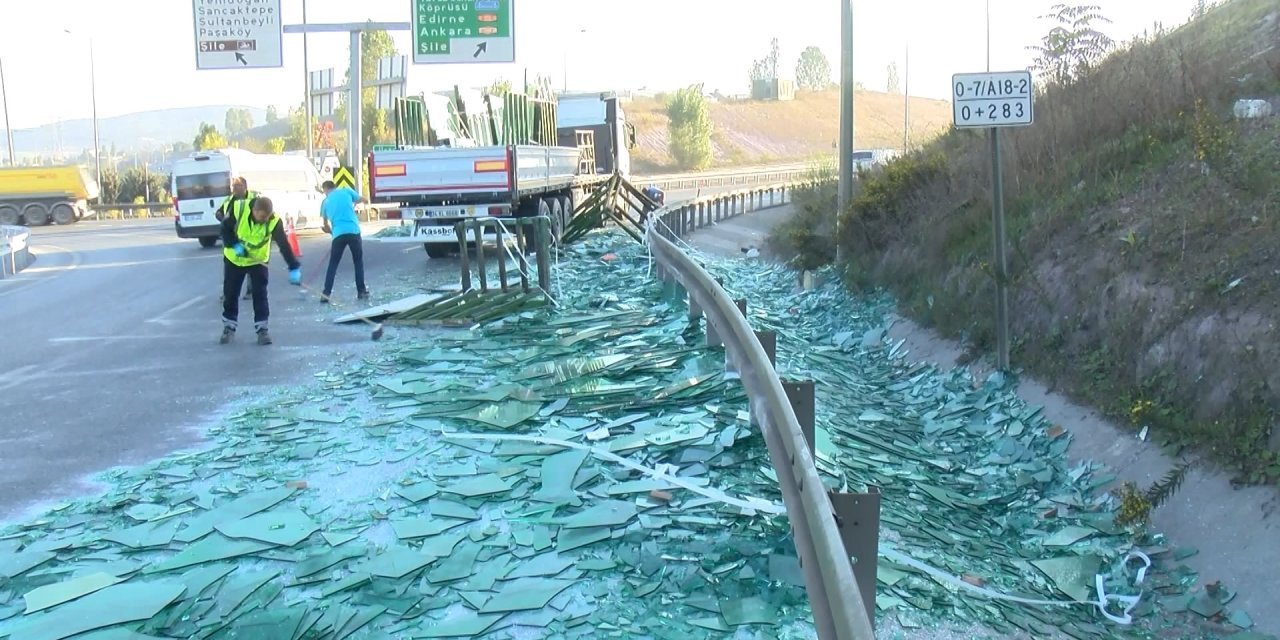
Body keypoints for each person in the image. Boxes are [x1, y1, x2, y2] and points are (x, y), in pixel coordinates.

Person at [218, 195, 301, 345]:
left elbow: (283, 244)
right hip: (234, 259)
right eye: (262, 216)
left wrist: (293, 266)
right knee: (230, 293)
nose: (264, 220)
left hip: (258, 261)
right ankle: (229, 327)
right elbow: (224, 230)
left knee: (260, 294)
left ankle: (262, 330)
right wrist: (234, 245)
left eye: (267, 217)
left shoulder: (273, 221)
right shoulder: (238, 208)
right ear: (254, 210)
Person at [319, 180, 370, 303]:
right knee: (358, 262)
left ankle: (326, 293)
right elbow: (363, 199)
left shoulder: (325, 202)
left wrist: (331, 232)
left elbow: (325, 225)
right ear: (334, 186)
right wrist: (358, 201)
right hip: (353, 231)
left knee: (333, 264)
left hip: (338, 235)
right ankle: (361, 291)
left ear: (325, 189)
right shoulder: (346, 191)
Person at [217, 177, 259, 301]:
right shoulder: (229, 200)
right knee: (229, 269)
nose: (234, 188)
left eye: (237, 186)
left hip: (250, 239)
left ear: (245, 187)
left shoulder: (254, 199)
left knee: (252, 267)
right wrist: (223, 218)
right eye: (233, 186)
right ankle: (227, 294)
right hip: (232, 239)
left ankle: (251, 291)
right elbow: (219, 213)